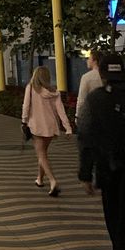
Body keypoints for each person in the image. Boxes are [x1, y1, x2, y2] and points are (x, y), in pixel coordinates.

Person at [77, 53, 125, 250]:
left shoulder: (95, 99)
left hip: (111, 172)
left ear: (102, 74)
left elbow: (86, 137)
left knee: (117, 223)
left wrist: (85, 174)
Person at [21, 65, 72, 196]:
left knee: (41, 154)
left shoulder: (31, 88)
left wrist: (24, 121)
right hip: (51, 126)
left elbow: (26, 106)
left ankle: (53, 180)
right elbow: (61, 111)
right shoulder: (54, 91)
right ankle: (39, 178)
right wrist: (68, 128)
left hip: (37, 126)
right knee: (43, 153)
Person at [75, 50, 102, 121]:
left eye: (89, 58)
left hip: (91, 115)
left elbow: (81, 99)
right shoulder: (106, 76)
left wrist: (78, 116)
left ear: (95, 61)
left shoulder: (86, 77)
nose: (87, 61)